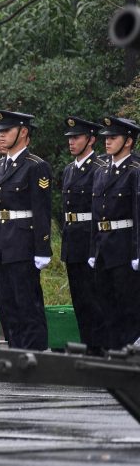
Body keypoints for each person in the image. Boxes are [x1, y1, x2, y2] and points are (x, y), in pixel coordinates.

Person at [0, 110, 51, 351]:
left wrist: (43, 248)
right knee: (6, 304)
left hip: (23, 244)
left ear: (23, 132)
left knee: (27, 304)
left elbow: (42, 211)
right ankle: (16, 350)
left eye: (4, 133)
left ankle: (35, 353)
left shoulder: (35, 167)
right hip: (0, 245)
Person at [88, 116, 140, 350]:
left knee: (128, 307)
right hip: (104, 247)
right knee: (106, 307)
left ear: (128, 141)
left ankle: (129, 359)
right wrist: (92, 249)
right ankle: (113, 356)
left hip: (124, 246)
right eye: (105, 138)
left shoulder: (135, 171)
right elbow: (96, 215)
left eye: (113, 138)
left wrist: (137, 251)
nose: (107, 142)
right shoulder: (101, 171)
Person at [61, 117, 104, 352]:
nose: (72, 142)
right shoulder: (69, 170)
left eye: (76, 137)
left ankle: (99, 350)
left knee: (94, 300)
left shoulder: (99, 168)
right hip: (73, 241)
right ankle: (89, 346)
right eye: (70, 138)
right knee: (79, 300)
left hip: (90, 240)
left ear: (91, 139)